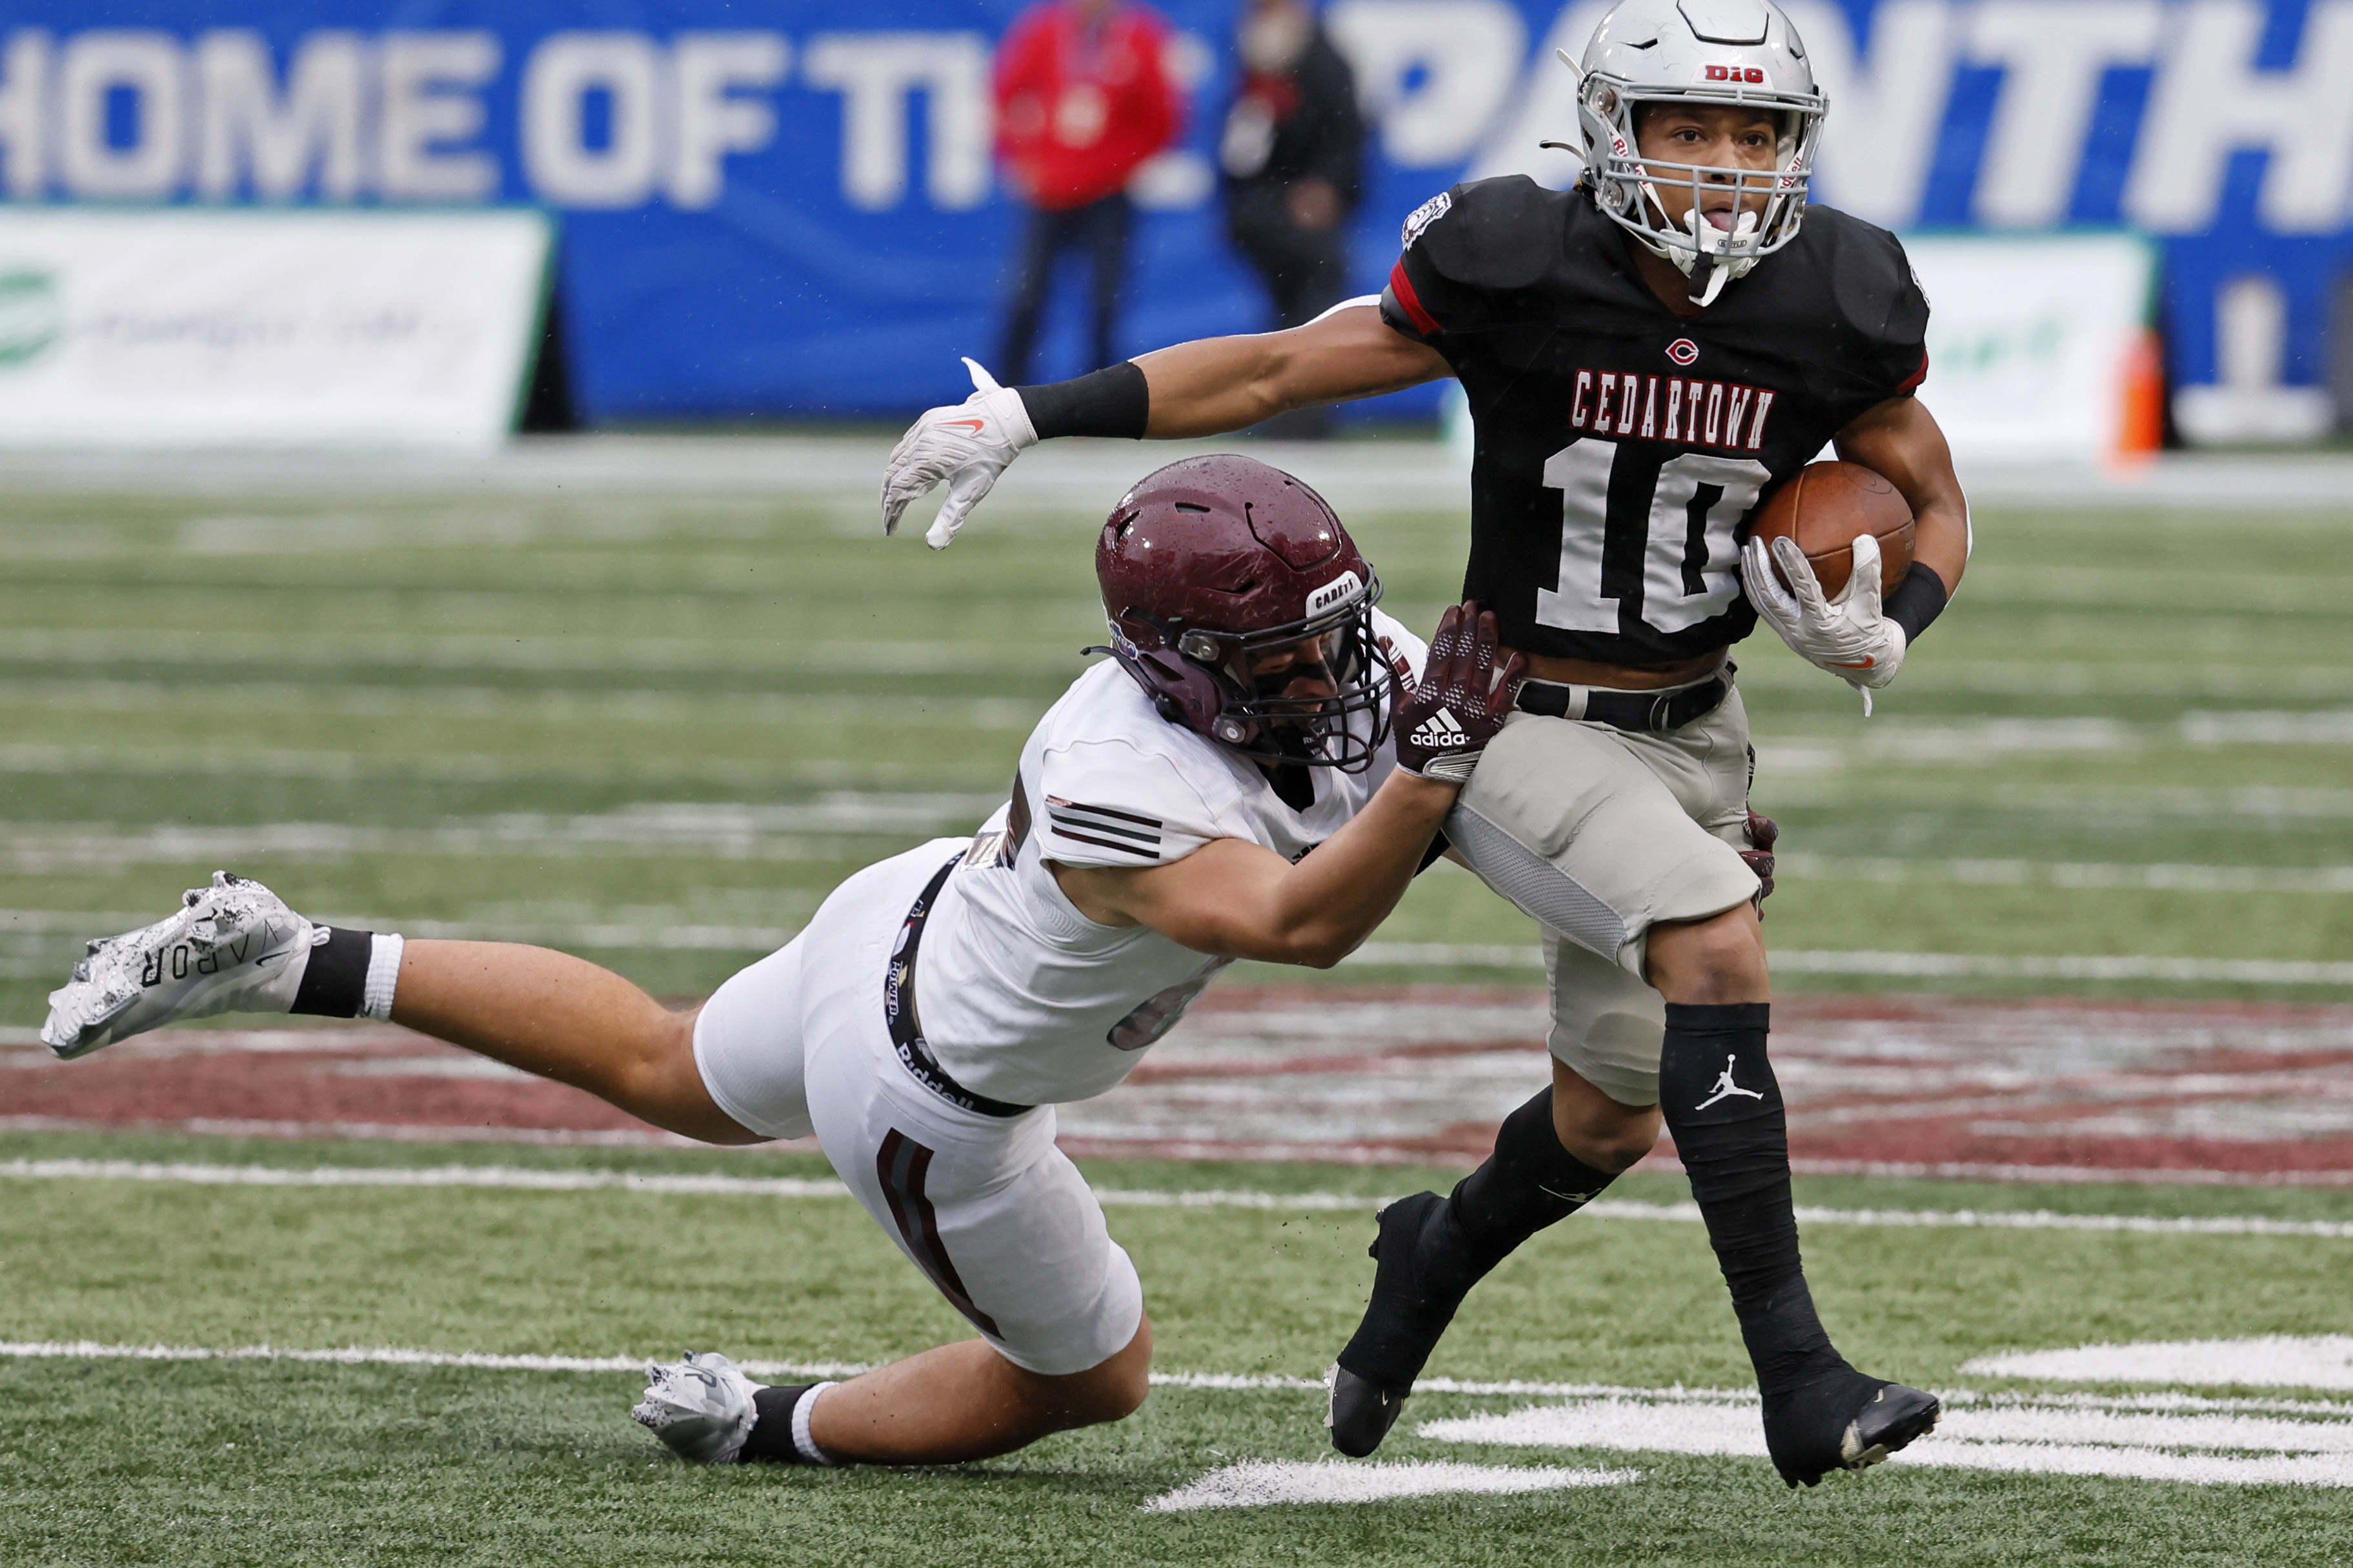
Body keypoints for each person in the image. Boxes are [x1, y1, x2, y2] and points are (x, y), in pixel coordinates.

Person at [880, 0, 1967, 1488]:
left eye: (1755, 134)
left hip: (1695, 723)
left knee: (1608, 1115)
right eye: (1688, 128)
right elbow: (1274, 364)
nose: (1725, 169)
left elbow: (1928, 489)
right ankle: (1802, 1380)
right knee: (1718, 937)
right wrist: (1036, 415)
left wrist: (1891, 622)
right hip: (1509, 710)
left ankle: (1429, 1254)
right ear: (1609, 130)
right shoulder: (1517, 258)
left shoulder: (1837, 289)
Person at [40, 456, 1528, 1471]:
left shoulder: (1332, 655)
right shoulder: (1114, 779)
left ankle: (291, 953)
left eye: (1332, 638)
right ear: (1174, 662)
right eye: (1279, 659)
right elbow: (1306, 925)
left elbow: (1469, 761)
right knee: (1096, 1381)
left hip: (906, 918)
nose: (1331, 680)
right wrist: (1440, 767)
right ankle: (767, 1426)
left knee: (658, 1065)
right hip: (932, 1099)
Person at [991, 0, 1184, 387]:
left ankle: (1097, 403)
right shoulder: (1043, 31)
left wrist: (1118, 165)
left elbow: (1163, 118)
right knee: (1026, 295)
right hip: (1050, 191)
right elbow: (1004, 97)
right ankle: (1005, 396)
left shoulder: (1141, 37)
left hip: (1107, 192)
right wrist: (1021, 158)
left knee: (1105, 301)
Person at [1218, 0, 1364, 437]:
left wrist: (1326, 187)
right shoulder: (1256, 63)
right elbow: (1238, 147)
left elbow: (1346, 137)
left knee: (1311, 311)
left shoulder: (1320, 61)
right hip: (1266, 208)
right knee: (1291, 311)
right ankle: (1289, 414)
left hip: (1302, 211)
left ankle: (1304, 416)